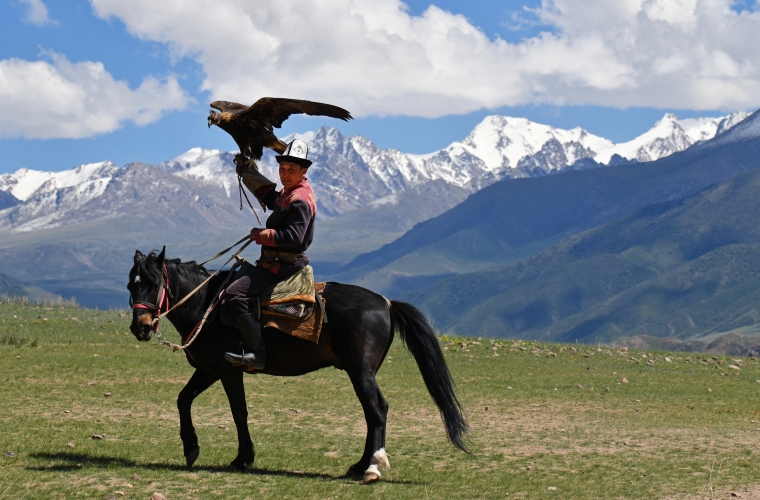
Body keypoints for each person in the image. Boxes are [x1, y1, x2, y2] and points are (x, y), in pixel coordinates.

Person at [222, 139, 317, 369]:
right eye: (282, 169)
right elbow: (272, 198)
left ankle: (258, 353)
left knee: (235, 294)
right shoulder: (291, 192)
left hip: (282, 265)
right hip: (275, 261)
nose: (285, 174)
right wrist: (248, 173)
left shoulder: (300, 200)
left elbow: (294, 237)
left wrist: (261, 235)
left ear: (303, 171)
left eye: (291, 170)